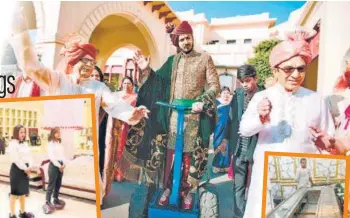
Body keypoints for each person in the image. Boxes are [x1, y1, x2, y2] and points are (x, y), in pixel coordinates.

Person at [9, 3, 149, 203]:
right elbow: (31, 65)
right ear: (75, 61)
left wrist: (133, 114)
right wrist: (21, 32)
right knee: (56, 194)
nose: (90, 67)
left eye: (93, 63)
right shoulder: (57, 80)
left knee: (89, 199)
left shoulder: (98, 88)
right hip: (57, 149)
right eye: (87, 62)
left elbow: (115, 105)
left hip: (85, 153)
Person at [116, 21, 220, 209]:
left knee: (189, 157)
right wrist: (146, 69)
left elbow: (214, 85)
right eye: (182, 39)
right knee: (169, 155)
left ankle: (187, 191)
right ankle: (167, 188)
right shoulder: (173, 61)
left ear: (192, 39)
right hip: (171, 116)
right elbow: (159, 82)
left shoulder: (204, 58)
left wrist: (203, 100)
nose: (185, 42)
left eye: (188, 38)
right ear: (178, 42)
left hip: (195, 116)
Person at [240, 29, 335, 218]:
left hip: (303, 183)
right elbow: (244, 129)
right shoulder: (262, 97)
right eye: (288, 69)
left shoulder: (316, 99)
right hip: (265, 179)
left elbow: (328, 141)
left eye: (301, 68)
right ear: (275, 70)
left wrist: (328, 144)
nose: (295, 74)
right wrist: (260, 119)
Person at [229, 64, 264, 218]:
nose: (244, 84)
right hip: (238, 147)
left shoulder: (265, 95)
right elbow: (230, 120)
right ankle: (239, 214)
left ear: (255, 78)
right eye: (241, 81)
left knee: (255, 185)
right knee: (238, 185)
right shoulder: (237, 95)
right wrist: (224, 141)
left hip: (257, 146)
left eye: (247, 80)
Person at [103, 76, 138, 194]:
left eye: (129, 83)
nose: (126, 85)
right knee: (110, 148)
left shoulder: (135, 97)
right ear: (121, 84)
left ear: (132, 85)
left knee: (120, 149)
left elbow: (134, 112)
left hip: (125, 126)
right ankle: (109, 173)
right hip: (112, 124)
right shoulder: (116, 95)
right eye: (125, 83)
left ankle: (119, 173)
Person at [8, 125, 35, 218]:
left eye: (24, 132)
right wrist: (25, 168)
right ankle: (12, 215)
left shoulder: (25, 143)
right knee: (14, 194)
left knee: (23, 193)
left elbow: (30, 156)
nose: (23, 134)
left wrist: (30, 166)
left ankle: (22, 213)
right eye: (21, 132)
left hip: (25, 171)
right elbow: (16, 159)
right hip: (16, 170)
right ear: (16, 133)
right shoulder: (12, 144)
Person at [44, 127, 68, 213]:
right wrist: (59, 166)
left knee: (58, 184)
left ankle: (55, 198)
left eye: (59, 132)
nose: (58, 134)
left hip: (60, 165)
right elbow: (52, 157)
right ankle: (47, 201)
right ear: (52, 133)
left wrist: (64, 164)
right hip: (54, 166)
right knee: (51, 185)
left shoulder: (59, 144)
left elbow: (62, 155)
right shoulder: (50, 144)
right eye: (56, 132)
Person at [212, 86, 232, 174]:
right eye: (224, 93)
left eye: (228, 93)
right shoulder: (216, 103)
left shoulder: (231, 104)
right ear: (220, 94)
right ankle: (217, 166)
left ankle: (226, 166)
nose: (226, 95)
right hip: (218, 129)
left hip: (229, 129)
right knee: (218, 145)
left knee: (227, 147)